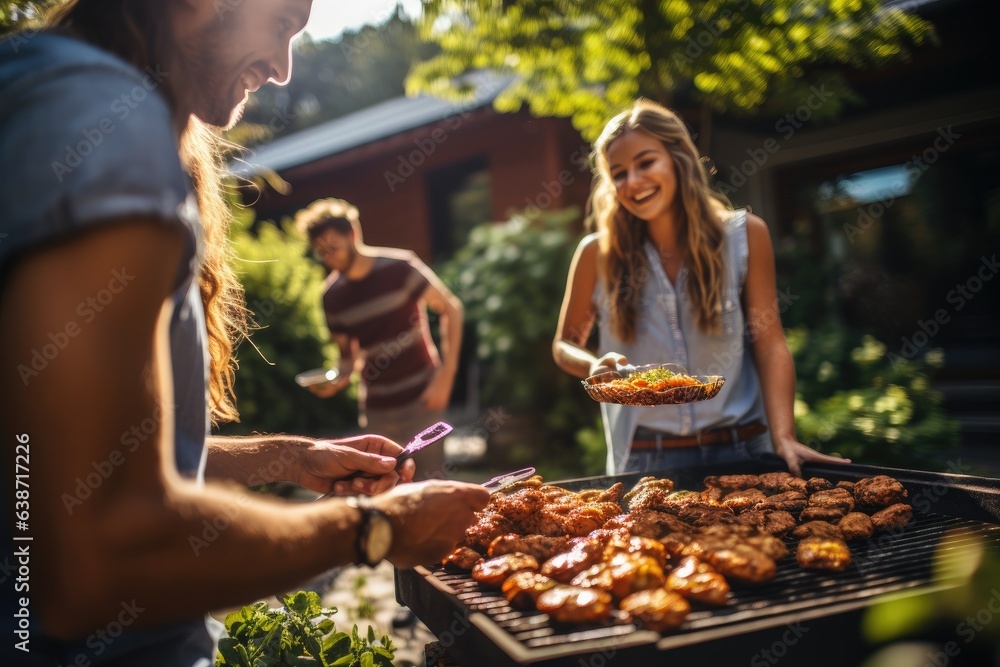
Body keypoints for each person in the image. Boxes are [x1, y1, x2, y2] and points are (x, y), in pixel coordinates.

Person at [0, 2, 488, 666]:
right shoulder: (102, 118)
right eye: (283, 21)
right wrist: (382, 528)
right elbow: (99, 557)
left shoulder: (48, 88)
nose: (284, 69)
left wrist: (290, 458)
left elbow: (88, 457)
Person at [553, 99, 850, 478]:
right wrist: (594, 363)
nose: (633, 182)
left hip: (743, 448)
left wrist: (784, 436)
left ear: (679, 159)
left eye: (646, 163)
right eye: (619, 173)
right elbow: (565, 344)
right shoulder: (596, 253)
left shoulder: (745, 236)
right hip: (646, 459)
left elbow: (770, 342)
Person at [296, 198, 464, 480]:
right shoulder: (332, 296)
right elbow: (347, 358)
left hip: (423, 397)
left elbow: (451, 309)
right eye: (321, 252)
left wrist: (446, 376)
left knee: (434, 487)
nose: (329, 257)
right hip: (377, 411)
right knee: (390, 489)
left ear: (353, 234)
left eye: (333, 248)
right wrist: (336, 379)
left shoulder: (400, 267)